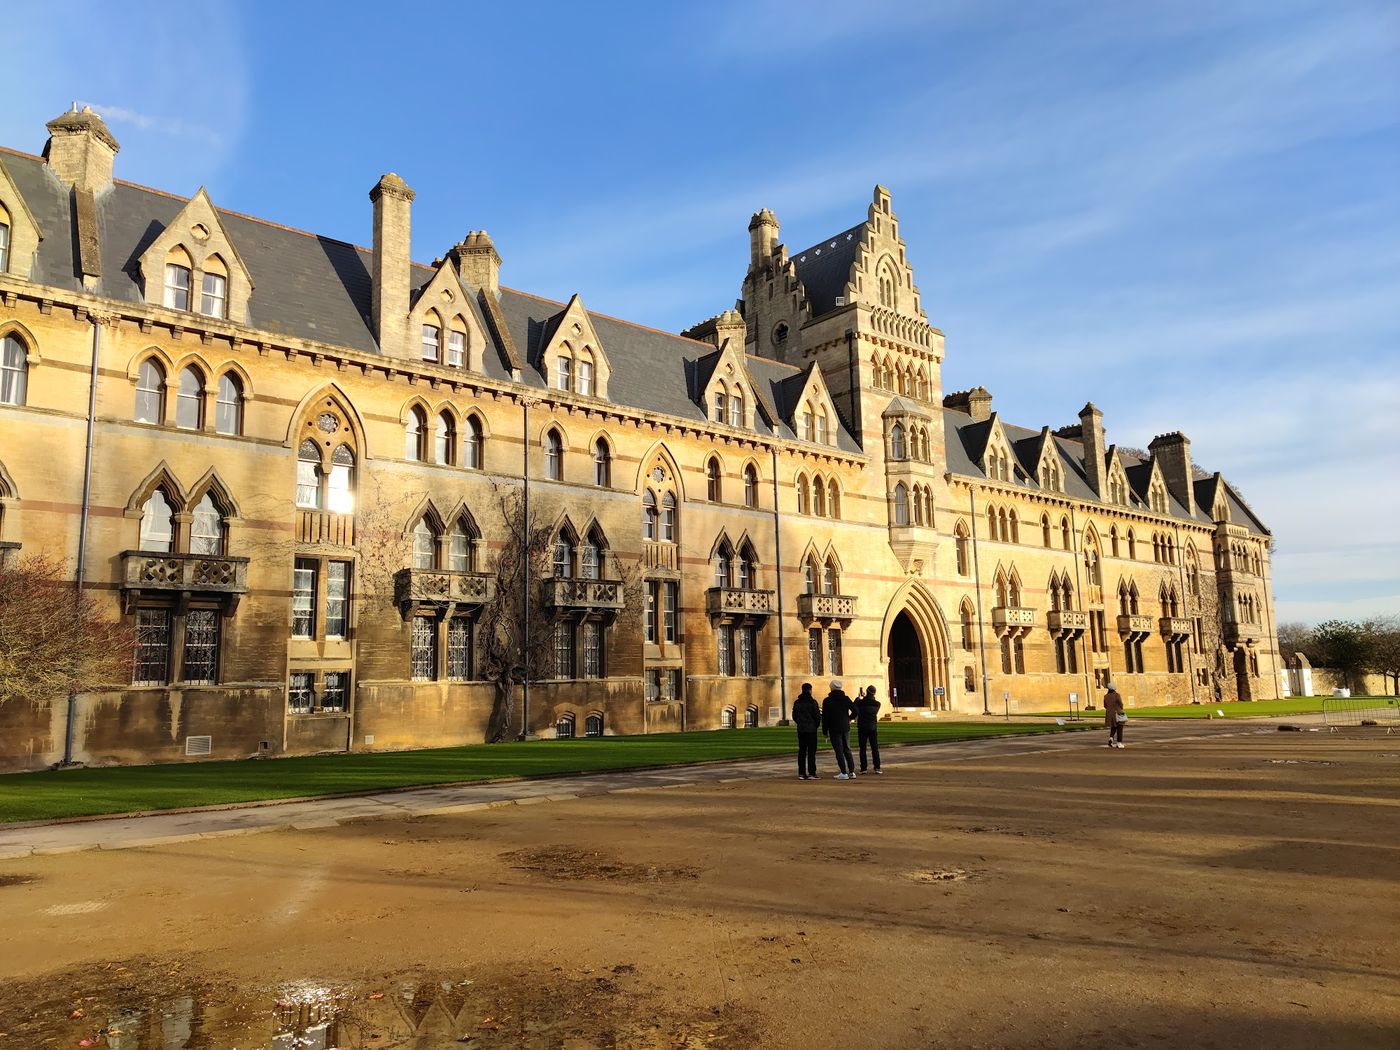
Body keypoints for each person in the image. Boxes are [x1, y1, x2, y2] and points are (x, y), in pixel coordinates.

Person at [821, 679, 858, 779]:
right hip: (845, 726)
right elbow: (855, 711)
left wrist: (824, 731)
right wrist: (849, 719)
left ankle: (843, 772)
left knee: (839, 750)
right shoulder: (846, 699)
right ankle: (851, 771)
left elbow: (825, 717)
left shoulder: (827, 701)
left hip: (834, 727)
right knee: (847, 749)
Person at [791, 683, 821, 780]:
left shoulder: (797, 702)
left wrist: (800, 723)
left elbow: (794, 716)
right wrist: (815, 725)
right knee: (811, 752)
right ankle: (812, 773)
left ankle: (801, 773)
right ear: (810, 690)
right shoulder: (813, 702)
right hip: (811, 730)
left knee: (802, 751)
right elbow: (817, 716)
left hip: (801, 729)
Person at [855, 685, 883, 774]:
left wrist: (859, 698)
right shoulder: (877, 704)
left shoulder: (861, 702)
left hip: (862, 727)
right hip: (872, 727)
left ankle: (864, 768)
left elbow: (854, 706)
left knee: (862, 748)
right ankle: (877, 767)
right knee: (875, 748)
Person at [1103, 683, 1126, 748]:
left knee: (1113, 727)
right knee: (1120, 727)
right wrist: (1120, 709)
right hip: (1117, 712)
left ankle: (1111, 738)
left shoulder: (1106, 696)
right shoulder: (1116, 695)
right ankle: (1119, 743)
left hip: (1109, 714)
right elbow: (1121, 704)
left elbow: (1105, 705)